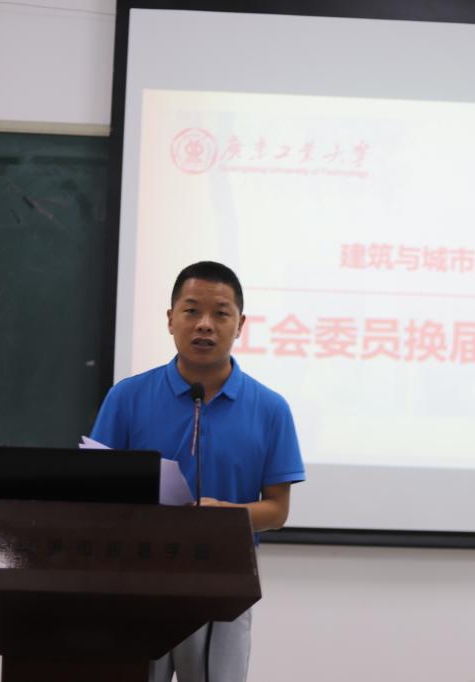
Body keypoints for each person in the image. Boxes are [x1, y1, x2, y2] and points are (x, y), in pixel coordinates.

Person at [90, 260, 305, 682]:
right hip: (136, 573)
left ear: (240, 325)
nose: (205, 324)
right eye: (191, 311)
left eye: (220, 313)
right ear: (171, 319)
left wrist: (224, 514)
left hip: (224, 578)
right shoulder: (126, 397)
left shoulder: (270, 409)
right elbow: (95, 490)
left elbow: (277, 511)